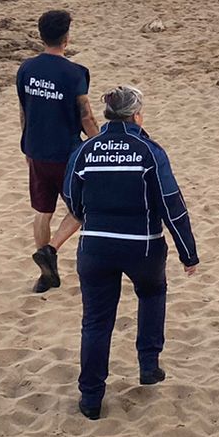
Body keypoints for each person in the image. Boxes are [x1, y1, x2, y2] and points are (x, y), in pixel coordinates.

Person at [61, 85, 198, 420]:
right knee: (152, 293)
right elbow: (172, 205)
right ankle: (148, 364)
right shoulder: (149, 151)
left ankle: (91, 397)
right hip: (143, 245)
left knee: (96, 321)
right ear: (137, 115)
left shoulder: (86, 150)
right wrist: (188, 252)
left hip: (95, 246)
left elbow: (71, 196)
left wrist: (89, 213)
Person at [16, 9, 97, 293]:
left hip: (36, 150)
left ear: (41, 36)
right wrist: (98, 141)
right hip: (66, 153)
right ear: (66, 38)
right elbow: (85, 115)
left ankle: (46, 271)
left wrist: (26, 143)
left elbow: (24, 111)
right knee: (83, 208)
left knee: (42, 210)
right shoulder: (75, 73)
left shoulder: (26, 69)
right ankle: (50, 249)